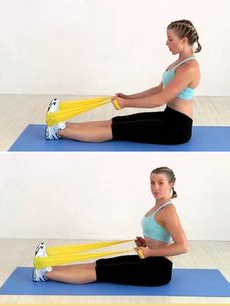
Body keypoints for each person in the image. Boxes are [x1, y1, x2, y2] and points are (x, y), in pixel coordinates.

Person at [45, 19, 201, 145]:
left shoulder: (189, 68)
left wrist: (126, 104)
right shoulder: (178, 63)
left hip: (177, 128)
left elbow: (160, 99)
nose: (167, 43)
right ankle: (63, 125)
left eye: (170, 39)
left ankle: (58, 132)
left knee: (118, 130)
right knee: (115, 122)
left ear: (184, 40)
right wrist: (128, 97)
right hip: (169, 116)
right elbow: (158, 89)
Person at [33, 167, 188, 286]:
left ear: (171, 185)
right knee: (100, 263)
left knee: (100, 272)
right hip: (148, 259)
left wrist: (150, 252)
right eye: (152, 183)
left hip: (157, 270)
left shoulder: (168, 210)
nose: (155, 187)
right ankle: (48, 266)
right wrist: (146, 244)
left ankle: (45, 275)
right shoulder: (158, 206)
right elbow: (161, 238)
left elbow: (183, 247)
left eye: (160, 183)